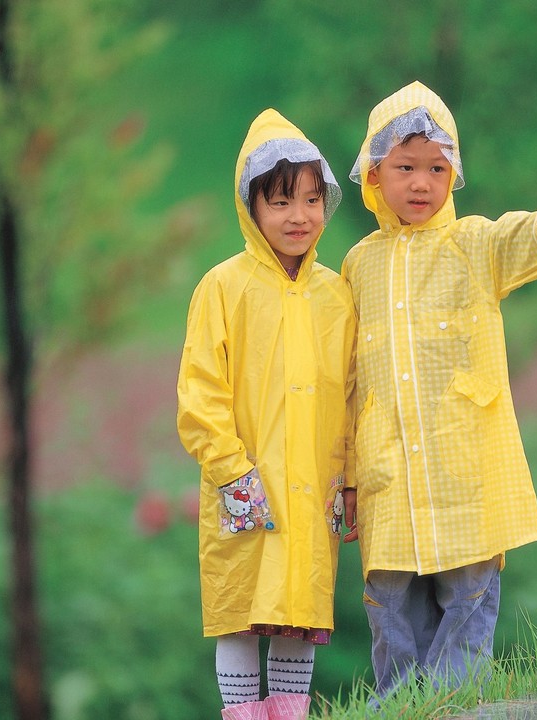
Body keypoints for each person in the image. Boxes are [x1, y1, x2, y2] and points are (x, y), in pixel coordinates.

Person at [340, 80, 537, 698]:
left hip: (463, 470)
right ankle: (400, 706)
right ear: (373, 174)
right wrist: (347, 475)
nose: (421, 183)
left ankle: (455, 703)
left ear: (453, 175)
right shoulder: (359, 266)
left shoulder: (471, 243)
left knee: (468, 599)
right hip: (389, 475)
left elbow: (511, 240)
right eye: (405, 167)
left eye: (437, 169)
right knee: (390, 607)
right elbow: (348, 379)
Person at [177, 108, 356, 720]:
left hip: (313, 483)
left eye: (311, 200)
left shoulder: (336, 295)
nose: (299, 216)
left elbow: (354, 392)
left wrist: (349, 475)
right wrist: (231, 470)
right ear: (249, 207)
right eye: (280, 202)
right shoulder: (222, 288)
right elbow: (200, 393)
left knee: (296, 616)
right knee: (238, 613)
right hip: (245, 481)